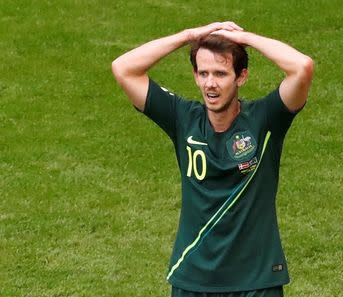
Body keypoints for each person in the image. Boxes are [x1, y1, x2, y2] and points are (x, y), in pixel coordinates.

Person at [112, 21, 313, 297]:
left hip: (256, 281)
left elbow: (302, 67)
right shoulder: (182, 118)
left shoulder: (266, 119)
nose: (210, 83)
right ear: (195, 76)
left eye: (220, 73)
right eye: (203, 73)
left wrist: (247, 38)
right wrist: (189, 36)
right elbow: (123, 68)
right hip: (193, 279)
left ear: (241, 77)